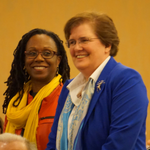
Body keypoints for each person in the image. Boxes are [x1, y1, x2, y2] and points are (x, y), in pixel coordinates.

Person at [46, 12, 149, 150]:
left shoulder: (126, 80)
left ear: (107, 45)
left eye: (84, 40)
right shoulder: (69, 88)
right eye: (72, 42)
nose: (76, 48)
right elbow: (53, 143)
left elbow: (118, 145)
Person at [2, 28, 70, 150]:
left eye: (47, 53)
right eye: (32, 53)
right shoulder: (15, 104)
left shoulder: (68, 99)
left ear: (58, 60)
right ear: (24, 59)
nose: (39, 58)